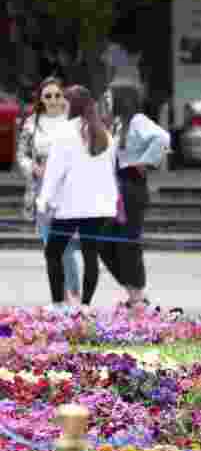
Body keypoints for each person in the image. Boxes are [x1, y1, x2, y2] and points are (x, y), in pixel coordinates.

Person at [35, 85, 121, 310]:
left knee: (53, 252)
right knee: (90, 254)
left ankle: (58, 303)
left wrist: (43, 202)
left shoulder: (64, 132)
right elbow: (110, 172)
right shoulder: (104, 133)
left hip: (70, 207)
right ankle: (85, 306)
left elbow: (54, 172)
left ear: (72, 106)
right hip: (99, 207)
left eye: (64, 103)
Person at [16, 76, 82, 305]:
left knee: (70, 248)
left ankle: (74, 296)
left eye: (57, 95)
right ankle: (59, 300)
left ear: (63, 96)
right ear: (41, 99)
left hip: (68, 192)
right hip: (41, 191)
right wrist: (32, 167)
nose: (53, 100)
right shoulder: (31, 123)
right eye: (48, 96)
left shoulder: (73, 122)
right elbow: (21, 155)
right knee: (51, 248)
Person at [108, 84, 170, 308]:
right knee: (105, 242)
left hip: (130, 188)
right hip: (114, 188)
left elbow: (162, 138)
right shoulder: (116, 124)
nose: (105, 100)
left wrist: (144, 162)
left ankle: (137, 296)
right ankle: (134, 292)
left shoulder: (138, 120)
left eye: (109, 96)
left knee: (128, 243)